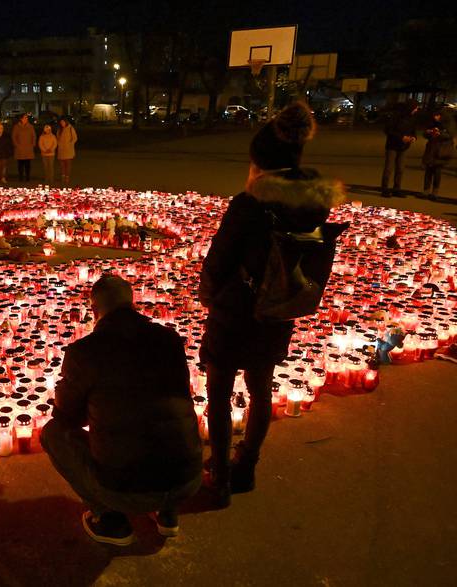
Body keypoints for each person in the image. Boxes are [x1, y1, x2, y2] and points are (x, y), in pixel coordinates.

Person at [199, 102, 344, 506]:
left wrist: (210, 297)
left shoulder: (248, 206)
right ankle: (248, 467)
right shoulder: (313, 204)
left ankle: (221, 475)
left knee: (219, 393)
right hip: (278, 310)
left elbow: (219, 260)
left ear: (260, 166)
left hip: (235, 312)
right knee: (260, 389)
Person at [42, 274, 202, 546]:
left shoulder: (86, 351)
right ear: (132, 303)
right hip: (187, 479)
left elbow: (67, 417)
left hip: (126, 487)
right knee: (162, 423)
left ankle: (110, 519)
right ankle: (167, 513)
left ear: (94, 310)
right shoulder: (169, 339)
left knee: (53, 434)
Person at [380, 101, 418, 197]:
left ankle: (397, 188)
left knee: (400, 168)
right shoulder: (395, 116)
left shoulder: (412, 118)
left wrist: (413, 137)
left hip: (404, 147)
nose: (417, 110)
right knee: (389, 168)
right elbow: (388, 130)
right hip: (392, 145)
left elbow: (413, 130)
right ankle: (385, 189)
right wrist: (401, 137)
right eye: (416, 108)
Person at [421, 109, 454, 200]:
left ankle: (435, 192)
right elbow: (425, 133)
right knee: (428, 171)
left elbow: (450, 135)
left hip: (441, 150)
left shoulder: (449, 123)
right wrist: (428, 132)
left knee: (437, 171)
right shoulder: (432, 122)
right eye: (434, 115)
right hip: (431, 148)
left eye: (437, 115)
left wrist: (440, 134)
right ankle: (426, 191)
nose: (435, 117)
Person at [12, 113, 37, 182]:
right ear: (21, 119)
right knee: (20, 164)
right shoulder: (17, 127)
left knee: (28, 164)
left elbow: (34, 136)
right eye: (25, 118)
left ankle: (27, 177)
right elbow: (14, 137)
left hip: (28, 148)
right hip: (20, 149)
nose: (26, 119)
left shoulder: (30, 126)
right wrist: (17, 145)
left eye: (27, 118)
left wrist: (33, 144)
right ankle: (20, 177)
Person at [56, 117, 78, 185]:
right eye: (61, 122)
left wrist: (70, 144)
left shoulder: (70, 128)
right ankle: (63, 176)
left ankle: (67, 177)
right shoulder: (59, 130)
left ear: (66, 122)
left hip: (68, 150)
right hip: (61, 150)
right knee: (62, 165)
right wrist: (59, 144)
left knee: (68, 164)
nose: (62, 123)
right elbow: (57, 138)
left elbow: (75, 138)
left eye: (63, 122)